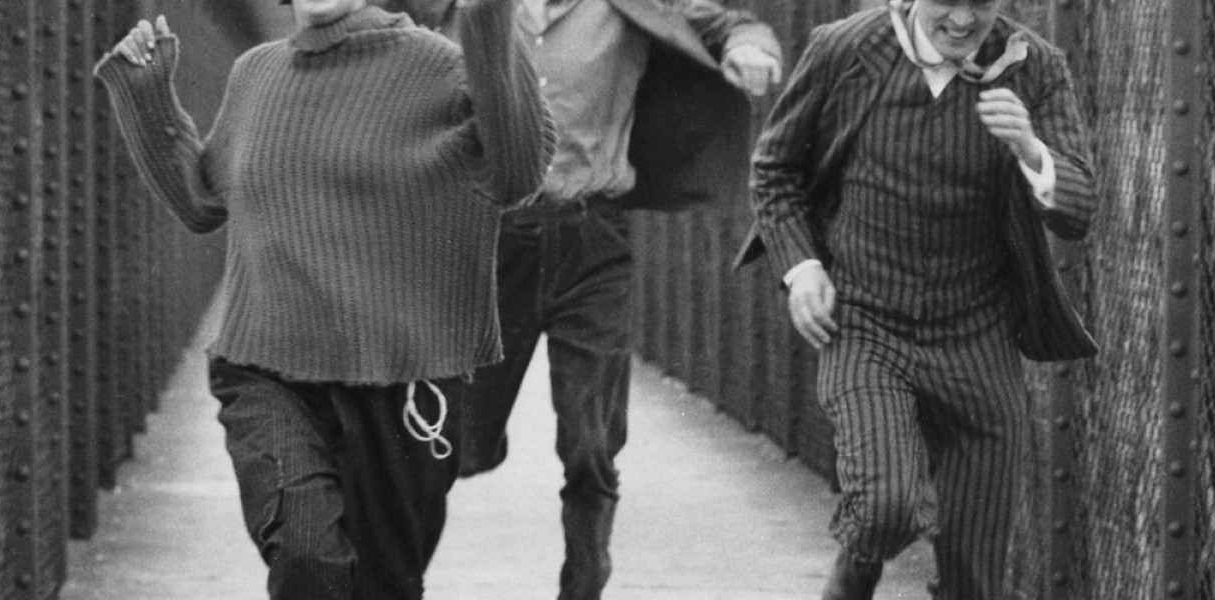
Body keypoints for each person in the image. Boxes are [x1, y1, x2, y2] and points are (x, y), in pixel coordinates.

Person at [93, 0, 553, 597]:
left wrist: (487, 18)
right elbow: (203, 201)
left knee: (384, 586)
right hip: (267, 372)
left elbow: (517, 175)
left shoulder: (442, 68)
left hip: (403, 382)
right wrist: (148, 95)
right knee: (307, 556)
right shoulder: (256, 73)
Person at [735, 0, 1098, 598]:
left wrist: (1032, 149)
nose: (963, 21)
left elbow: (1078, 210)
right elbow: (774, 170)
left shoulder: (1035, 66)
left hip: (977, 338)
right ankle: (858, 561)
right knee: (885, 507)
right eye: (947, 3)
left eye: (981, 4)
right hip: (865, 324)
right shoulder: (845, 48)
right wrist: (802, 268)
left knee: (974, 577)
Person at [442, 1, 781, 598]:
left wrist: (749, 46)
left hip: (592, 239)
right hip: (490, 242)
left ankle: (584, 580)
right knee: (456, 440)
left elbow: (723, 23)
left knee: (590, 439)